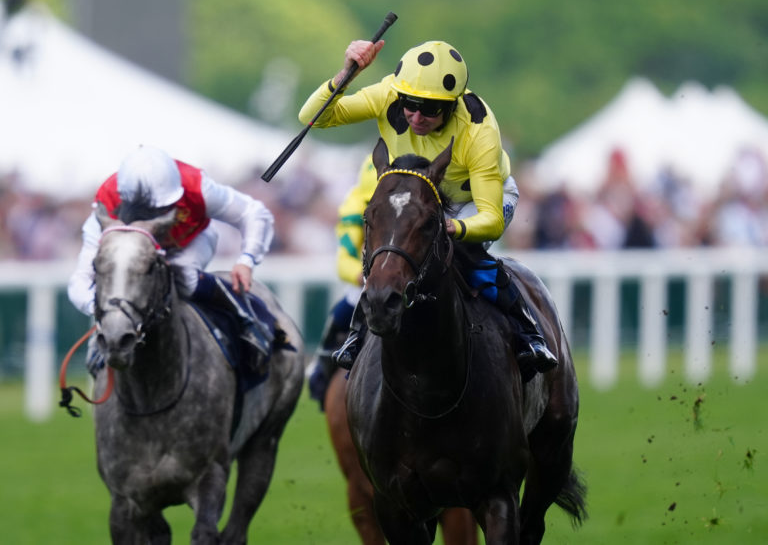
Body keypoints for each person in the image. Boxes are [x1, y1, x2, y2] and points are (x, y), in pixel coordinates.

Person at [298, 40, 557, 375]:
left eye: (431, 109)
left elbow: (491, 220)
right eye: (410, 104)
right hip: (422, 200)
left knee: (463, 254)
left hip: (476, 202)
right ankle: (358, 332)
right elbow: (313, 117)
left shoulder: (479, 130)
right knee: (389, 258)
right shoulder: (388, 93)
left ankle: (528, 333)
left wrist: (454, 228)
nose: (417, 116)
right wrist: (348, 73)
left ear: (452, 106)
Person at [68, 145, 275, 364]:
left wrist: (247, 259)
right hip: (135, 253)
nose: (157, 220)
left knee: (185, 277)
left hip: (191, 242)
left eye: (163, 209)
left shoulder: (197, 186)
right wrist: (107, 312)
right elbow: (79, 281)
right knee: (122, 277)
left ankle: (247, 320)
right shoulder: (106, 204)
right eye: (149, 211)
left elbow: (252, 212)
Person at [307, 154, 376, 408]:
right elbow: (344, 259)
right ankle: (321, 370)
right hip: (370, 282)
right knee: (342, 311)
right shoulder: (355, 206)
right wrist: (364, 276)